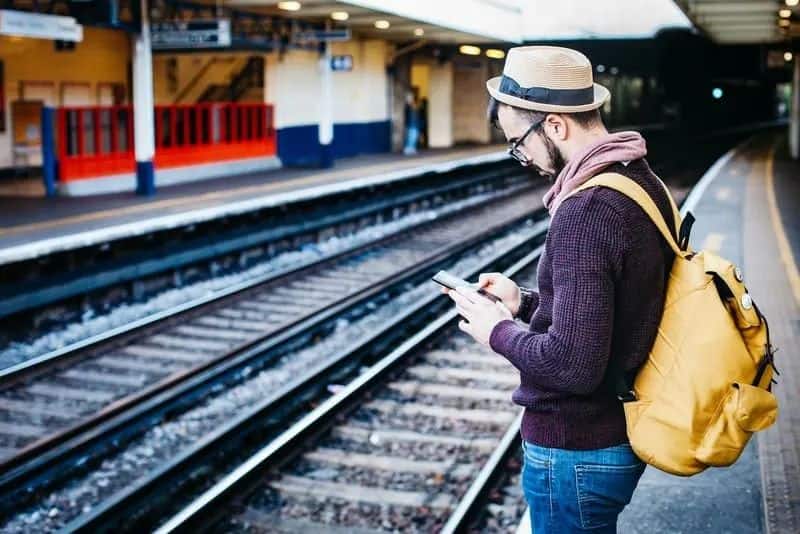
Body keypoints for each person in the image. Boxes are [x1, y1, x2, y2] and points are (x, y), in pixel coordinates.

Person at [444, 46, 676, 533]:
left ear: (554, 125)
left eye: (518, 142)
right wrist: (524, 302)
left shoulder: (585, 210)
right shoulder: (639, 179)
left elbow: (571, 365)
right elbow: (614, 308)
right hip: (612, 432)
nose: (521, 157)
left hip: (576, 447)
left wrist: (497, 330)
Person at [403, 90, 420, 155]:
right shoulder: (407, 106)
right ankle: (408, 148)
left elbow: (417, 113)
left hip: (415, 123)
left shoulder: (414, 105)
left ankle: (412, 148)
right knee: (411, 136)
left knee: (414, 136)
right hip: (410, 124)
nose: (410, 99)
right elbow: (406, 116)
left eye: (411, 97)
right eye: (409, 98)